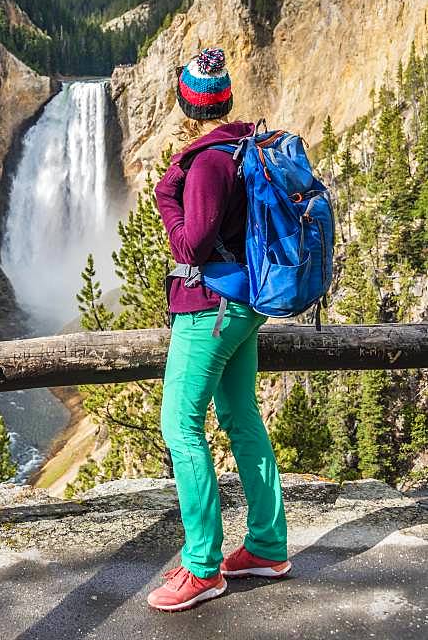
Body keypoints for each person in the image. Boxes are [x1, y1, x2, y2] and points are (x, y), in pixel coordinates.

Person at [146, 46, 290, 613]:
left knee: (180, 424)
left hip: (209, 309)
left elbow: (192, 245)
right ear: (226, 100)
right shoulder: (241, 147)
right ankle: (267, 545)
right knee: (239, 416)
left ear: (185, 103)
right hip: (241, 304)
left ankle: (202, 566)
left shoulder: (206, 163)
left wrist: (165, 200)